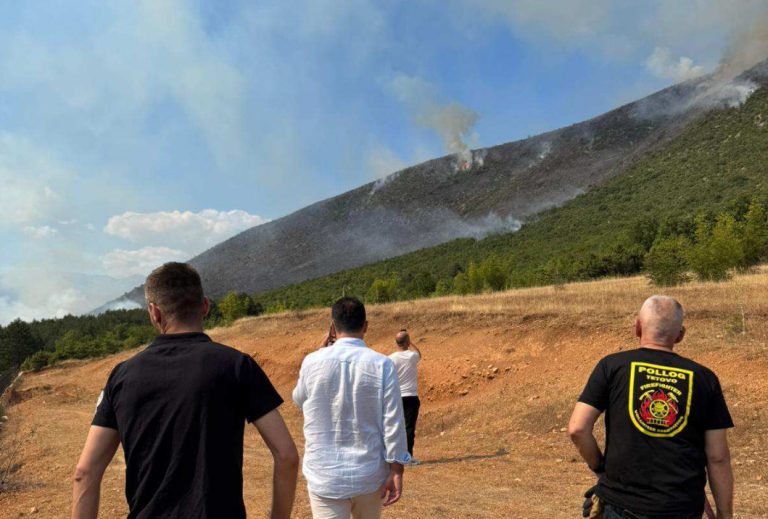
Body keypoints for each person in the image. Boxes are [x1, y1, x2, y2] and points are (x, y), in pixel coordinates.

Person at [71, 262, 298, 519]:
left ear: (154, 312)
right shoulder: (237, 366)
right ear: (205, 306)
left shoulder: (122, 376)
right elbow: (287, 455)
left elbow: (85, 473)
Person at [568, 296, 734, 519]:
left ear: (637, 327)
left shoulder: (612, 366)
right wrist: (725, 514)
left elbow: (578, 428)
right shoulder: (705, 378)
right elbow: (718, 457)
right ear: (680, 335)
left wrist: (600, 469)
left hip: (620, 506)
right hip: (680, 509)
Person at [293, 297, 410, 519]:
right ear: (365, 326)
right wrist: (396, 469)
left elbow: (299, 400)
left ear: (332, 328)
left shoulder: (311, 361)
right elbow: (394, 420)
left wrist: (319, 353)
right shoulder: (383, 364)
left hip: (325, 476)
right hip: (369, 475)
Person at [389, 329, 422, 460]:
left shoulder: (390, 358)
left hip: (396, 397)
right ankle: (408, 456)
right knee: (409, 427)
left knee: (396, 427)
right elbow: (419, 353)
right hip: (411, 396)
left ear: (396, 343)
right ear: (407, 342)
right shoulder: (412, 356)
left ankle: (394, 455)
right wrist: (411, 342)